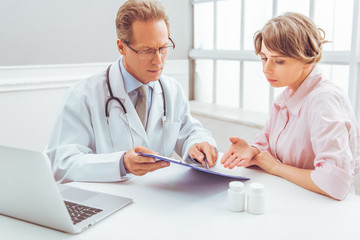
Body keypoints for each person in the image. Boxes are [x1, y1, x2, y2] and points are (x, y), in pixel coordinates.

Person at [46, 0, 217, 183]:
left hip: (160, 199)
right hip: (108, 201)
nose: (158, 61)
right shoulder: (83, 95)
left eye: (163, 48)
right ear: (121, 47)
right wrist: (121, 164)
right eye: (147, 51)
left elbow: (189, 131)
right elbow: (61, 163)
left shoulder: (172, 90)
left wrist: (197, 144)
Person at [221, 12, 359, 200]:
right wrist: (252, 150)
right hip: (292, 198)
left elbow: (334, 182)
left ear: (307, 59)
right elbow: (268, 142)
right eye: (264, 58)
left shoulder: (323, 100)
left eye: (279, 61)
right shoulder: (285, 97)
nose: (266, 69)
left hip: (324, 208)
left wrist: (276, 167)